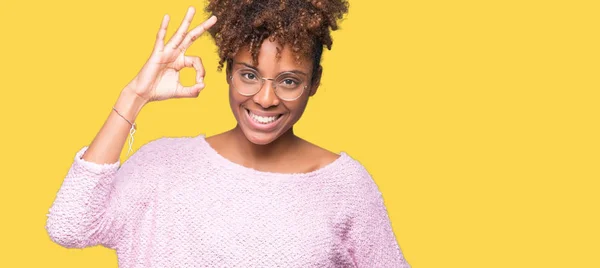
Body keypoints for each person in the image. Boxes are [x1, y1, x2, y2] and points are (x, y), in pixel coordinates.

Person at [45, 0, 411, 267]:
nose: (265, 99)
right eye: (249, 75)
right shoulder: (162, 165)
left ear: (314, 82)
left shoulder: (345, 186)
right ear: (228, 72)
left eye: (288, 81)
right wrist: (133, 97)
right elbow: (70, 225)